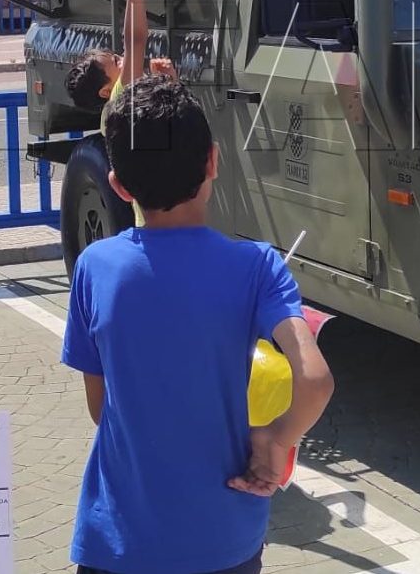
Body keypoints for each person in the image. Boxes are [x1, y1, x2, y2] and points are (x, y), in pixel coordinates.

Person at [62, 74, 335, 574]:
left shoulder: (95, 268)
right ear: (213, 160)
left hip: (117, 540)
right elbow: (314, 380)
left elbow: (101, 410)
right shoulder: (257, 267)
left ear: (119, 186)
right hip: (224, 539)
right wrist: (276, 440)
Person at [64, 0, 174, 229]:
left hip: (155, 221)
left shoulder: (120, 108)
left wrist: (169, 85)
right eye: (115, 62)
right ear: (104, 90)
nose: (122, 59)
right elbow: (135, 40)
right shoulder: (120, 99)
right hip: (163, 222)